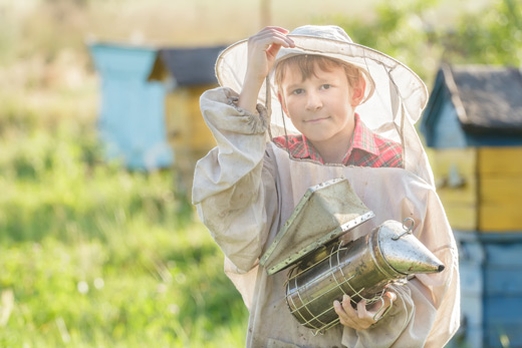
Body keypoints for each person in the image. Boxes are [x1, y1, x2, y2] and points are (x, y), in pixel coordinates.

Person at [193, 25, 460, 348]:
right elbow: (233, 204)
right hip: (286, 335)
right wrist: (254, 79)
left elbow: (432, 271)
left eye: (325, 86)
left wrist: (384, 305)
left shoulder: (397, 170)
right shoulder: (271, 162)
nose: (313, 102)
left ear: (357, 91)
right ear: (281, 100)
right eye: (297, 91)